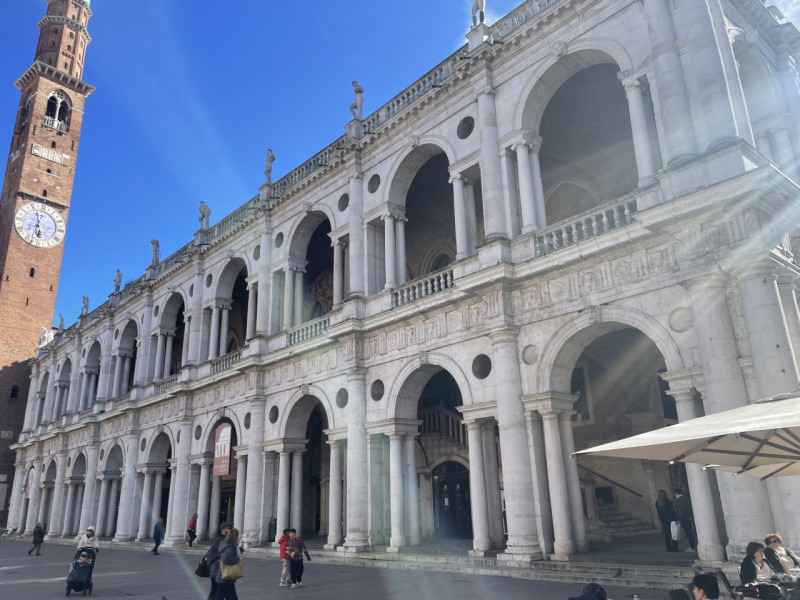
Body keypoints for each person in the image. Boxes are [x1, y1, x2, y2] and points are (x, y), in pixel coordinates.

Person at [213, 527, 243, 600]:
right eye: (237, 536)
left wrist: (241, 549)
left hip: (226, 578)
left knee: (231, 597)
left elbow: (230, 555)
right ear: (235, 537)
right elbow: (226, 559)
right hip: (225, 578)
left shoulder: (227, 546)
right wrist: (238, 559)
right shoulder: (229, 547)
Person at [205, 521, 232, 600]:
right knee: (217, 592)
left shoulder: (222, 540)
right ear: (223, 530)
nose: (231, 530)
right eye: (229, 528)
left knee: (215, 591)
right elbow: (224, 555)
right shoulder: (221, 540)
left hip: (218, 571)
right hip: (218, 571)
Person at [674, 488, 696, 552]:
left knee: (689, 533)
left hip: (684, 519)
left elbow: (681, 511)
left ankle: (692, 547)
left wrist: (680, 518)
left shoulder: (680, 499)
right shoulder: (686, 498)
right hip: (689, 518)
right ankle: (692, 546)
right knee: (690, 533)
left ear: (676, 493)